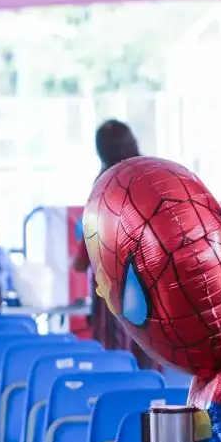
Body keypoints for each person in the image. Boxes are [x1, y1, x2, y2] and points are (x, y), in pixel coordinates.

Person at [73, 120, 152, 366]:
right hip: (150, 279)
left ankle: (118, 399)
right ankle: (153, 395)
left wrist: (80, 261)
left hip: (113, 284)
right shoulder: (152, 175)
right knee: (150, 349)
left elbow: (92, 236)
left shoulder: (104, 184)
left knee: (115, 354)